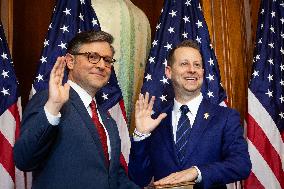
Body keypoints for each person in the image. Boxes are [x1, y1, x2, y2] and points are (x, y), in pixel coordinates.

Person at [13, 30, 139, 189]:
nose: (101, 65)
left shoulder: (107, 119)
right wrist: (53, 107)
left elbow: (113, 177)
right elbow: (24, 159)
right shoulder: (48, 101)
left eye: (107, 60)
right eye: (92, 57)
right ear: (70, 61)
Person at [128, 40, 251, 189]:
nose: (192, 69)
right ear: (169, 72)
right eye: (184, 64)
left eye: (197, 65)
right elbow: (139, 179)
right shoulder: (155, 121)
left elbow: (241, 165)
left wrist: (197, 172)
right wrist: (141, 135)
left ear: (203, 72)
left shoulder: (225, 117)